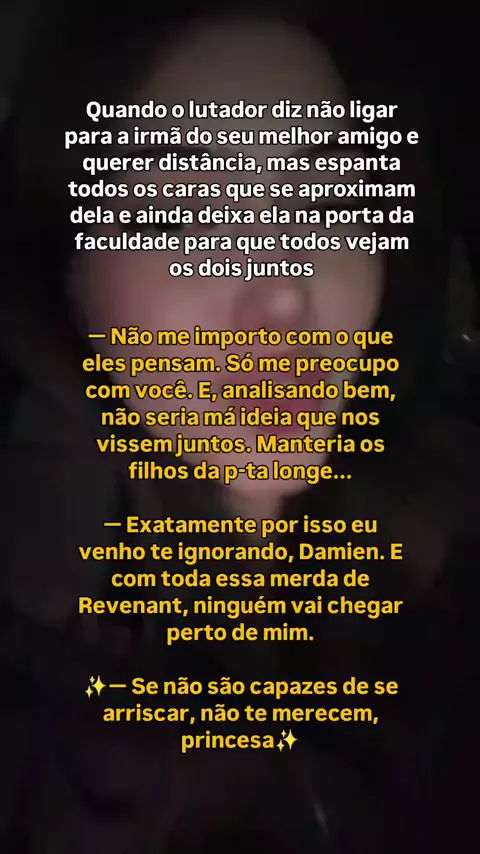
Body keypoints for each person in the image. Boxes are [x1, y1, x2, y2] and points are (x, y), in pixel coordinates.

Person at [0, 2, 477, 852]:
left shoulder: (437, 531)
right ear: (65, 273)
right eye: (186, 214)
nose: (285, 291)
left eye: (325, 202)